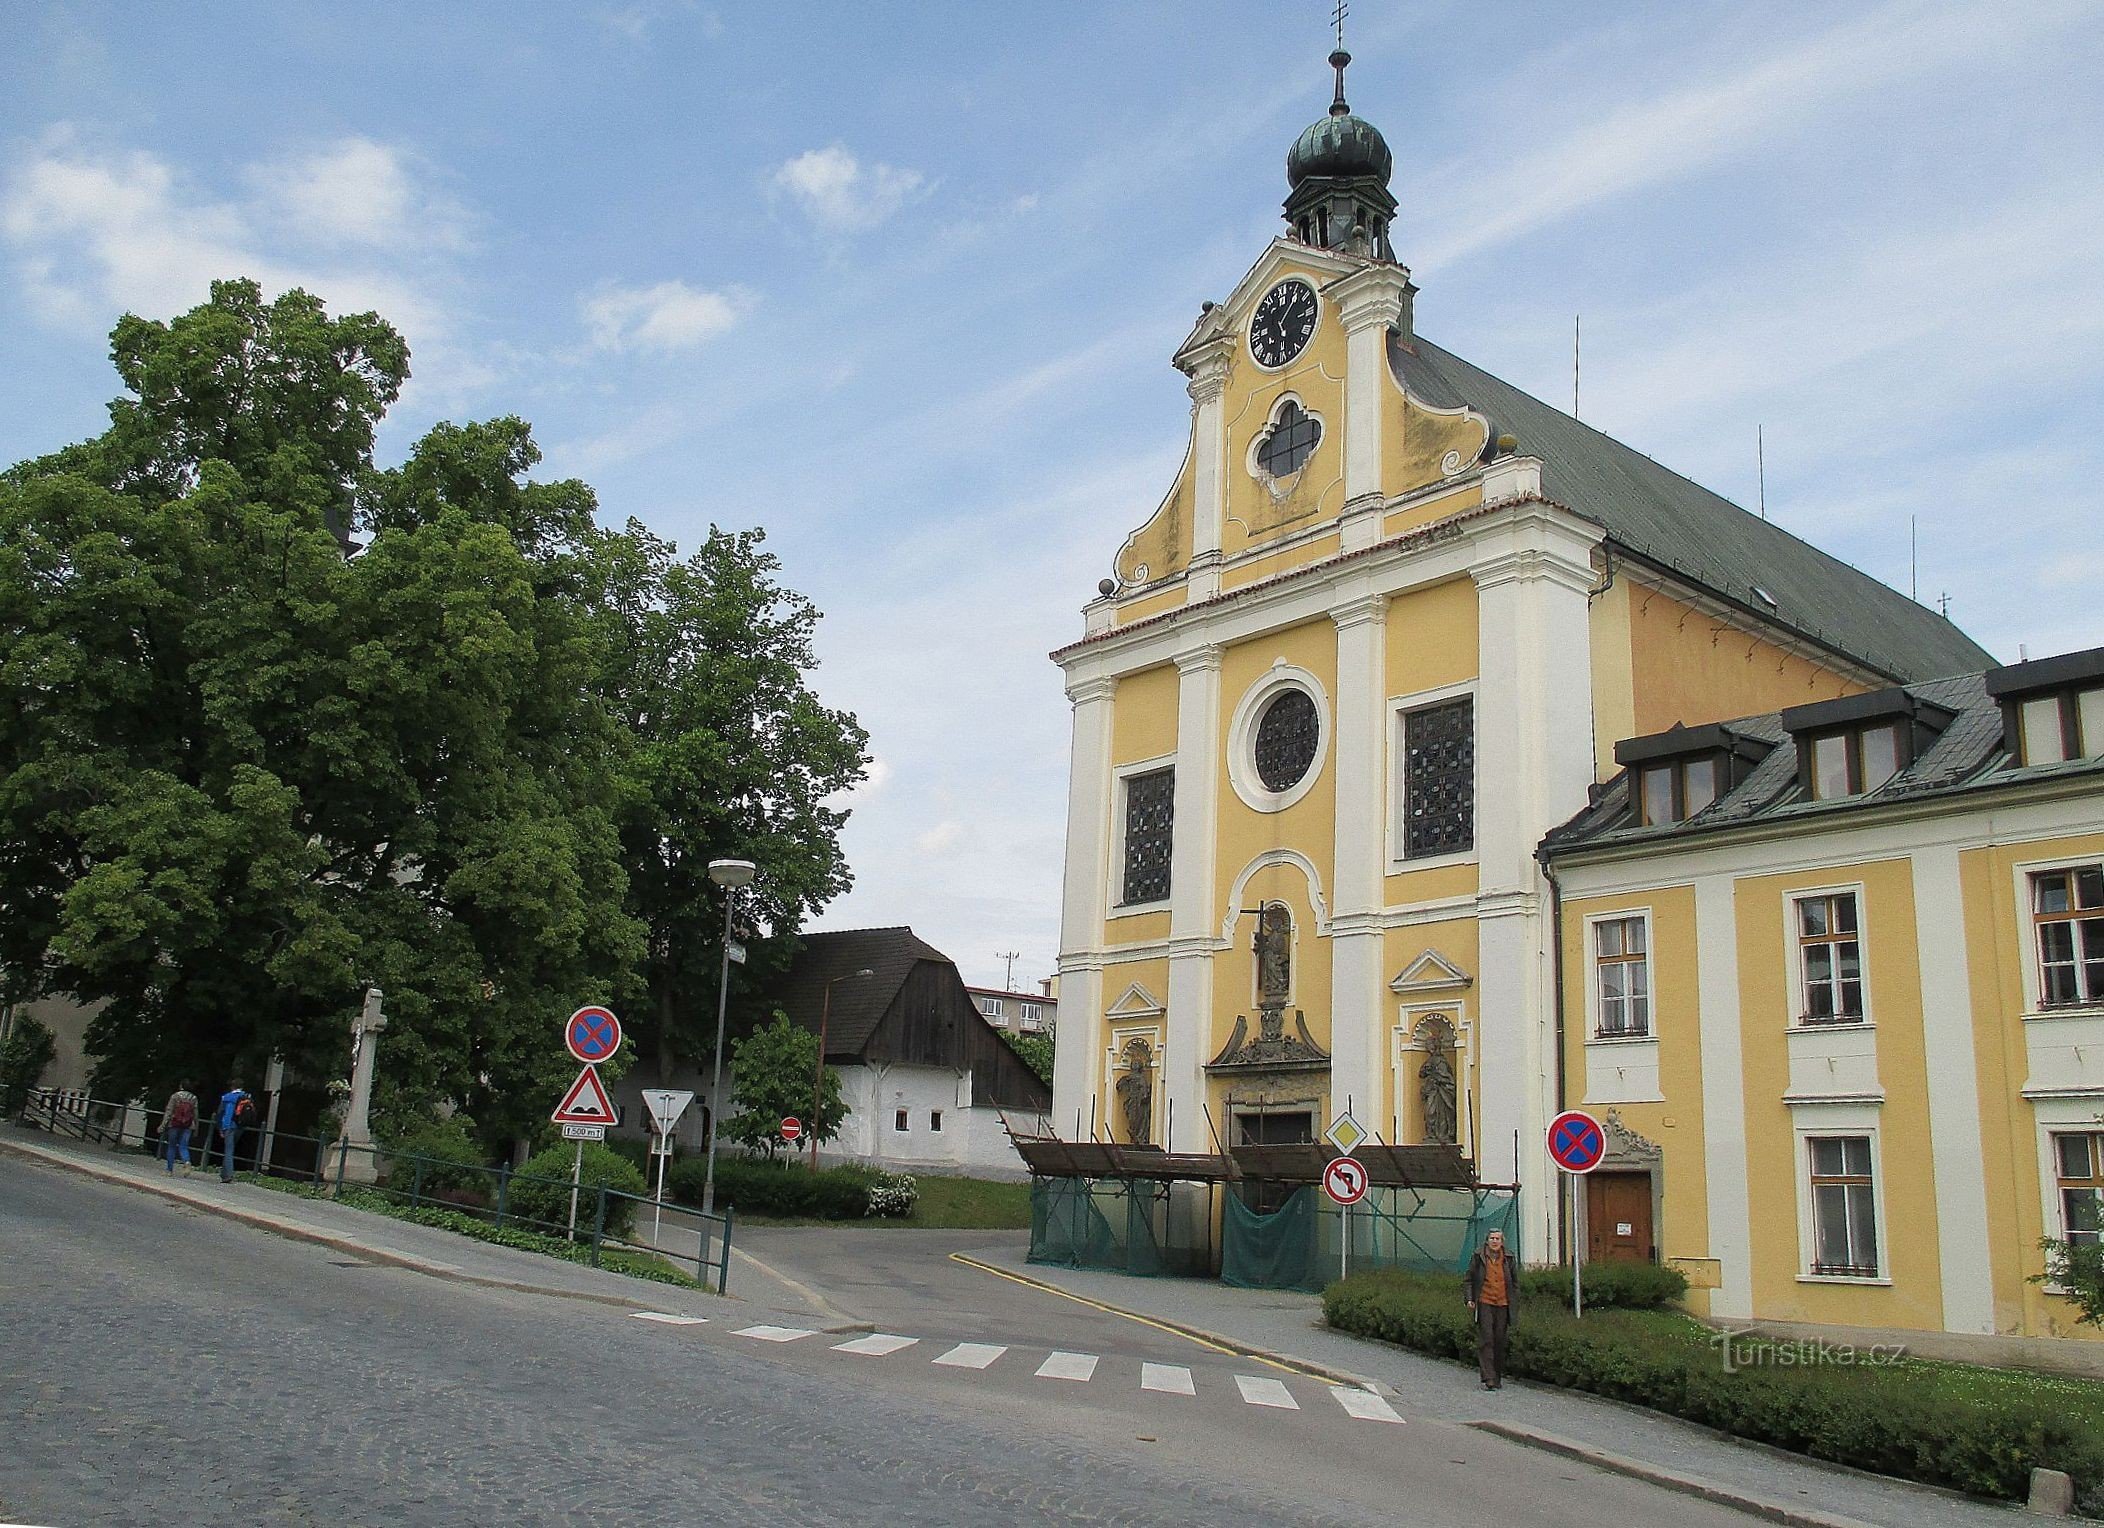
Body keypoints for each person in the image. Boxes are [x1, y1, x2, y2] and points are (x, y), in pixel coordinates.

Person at [1464, 1227, 1519, 1390]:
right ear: (1487, 1241)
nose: (1495, 1241)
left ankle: (1497, 1376)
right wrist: (1469, 1299)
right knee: (1487, 1338)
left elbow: (1515, 1283)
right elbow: (1468, 1279)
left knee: (1499, 1340)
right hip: (1485, 1301)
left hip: (1503, 1303)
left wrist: (1515, 1300)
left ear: (1502, 1242)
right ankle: (1488, 1377)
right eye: (1492, 1238)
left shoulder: (1509, 1258)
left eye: (1498, 1239)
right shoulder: (1478, 1256)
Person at [217, 1080, 253, 1183]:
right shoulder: (247, 1097)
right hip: (240, 1126)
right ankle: (224, 1173)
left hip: (229, 1125)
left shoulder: (227, 1097)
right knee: (231, 1148)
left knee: (229, 1149)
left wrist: (220, 1127)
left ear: (232, 1087)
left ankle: (228, 1175)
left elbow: (220, 1113)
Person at [161, 1082, 198, 1174]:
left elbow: (169, 1111)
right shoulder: (193, 1098)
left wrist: (163, 1125)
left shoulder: (175, 1096)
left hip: (174, 1124)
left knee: (172, 1146)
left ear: (181, 1086)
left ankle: (169, 1170)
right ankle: (187, 1161)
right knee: (184, 1146)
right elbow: (195, 1114)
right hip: (188, 1125)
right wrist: (196, 1127)